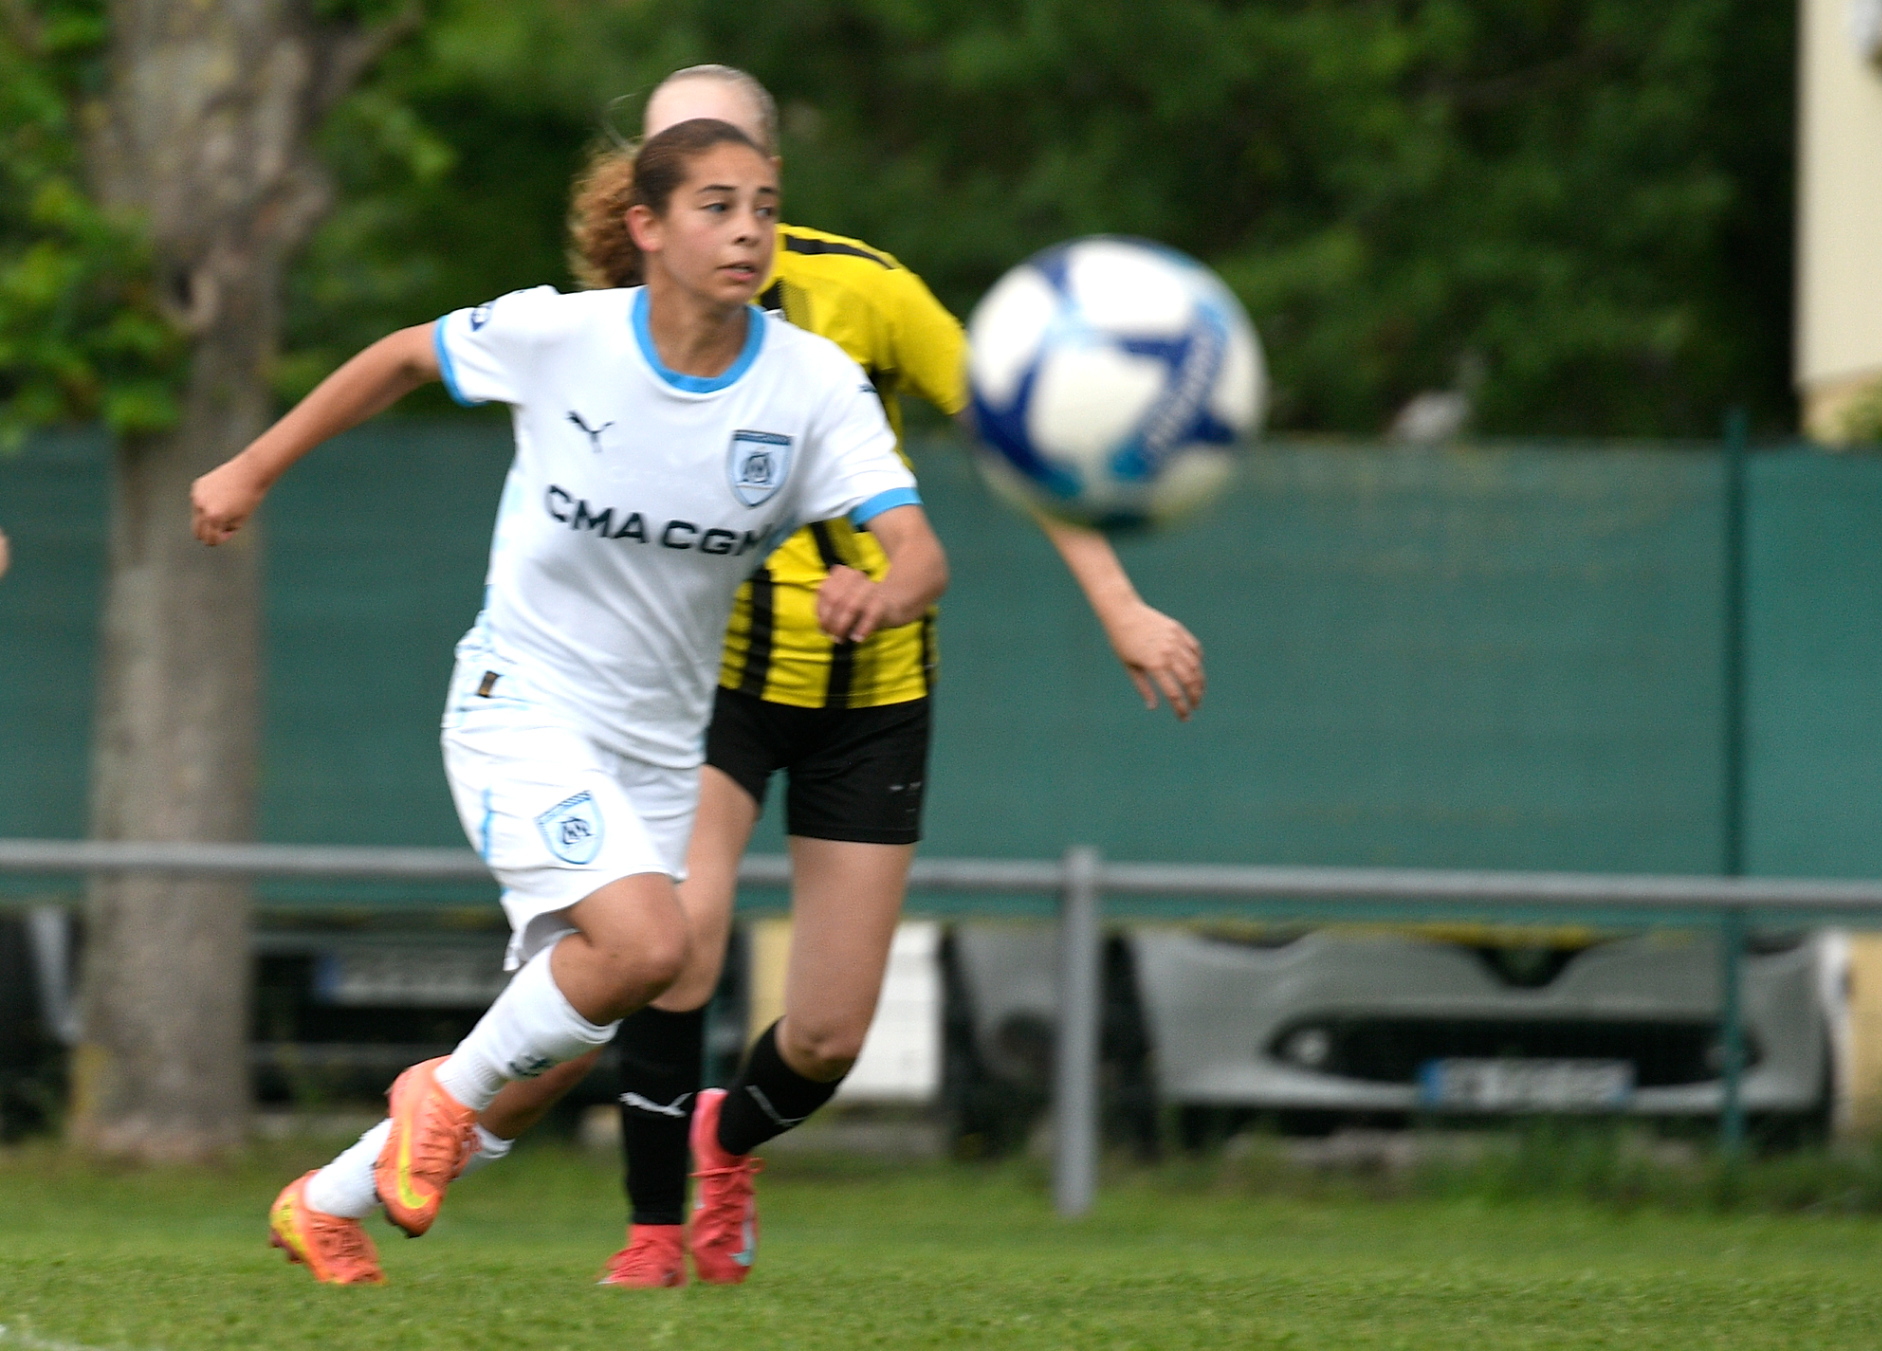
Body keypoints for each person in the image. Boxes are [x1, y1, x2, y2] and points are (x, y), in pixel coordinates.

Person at [467, 65, 1208, 1290]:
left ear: (770, 172)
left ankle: (724, 1140)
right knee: (678, 940)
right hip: (711, 687)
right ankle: (648, 1234)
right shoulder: (613, 316)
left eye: (729, 168)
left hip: (872, 695)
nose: (706, 195)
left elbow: (1015, 436)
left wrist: (1120, 604)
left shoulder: (866, 294)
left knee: (824, 1035)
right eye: (667, 160)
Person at [190, 117, 948, 1286]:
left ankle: (326, 1200)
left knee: (561, 1045)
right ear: (646, 227)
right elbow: (401, 358)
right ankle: (436, 1095)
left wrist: (880, 591)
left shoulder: (808, 383)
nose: (747, 230)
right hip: (519, 704)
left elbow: (919, 553)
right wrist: (251, 466)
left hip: (658, 747)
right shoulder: (561, 337)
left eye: (762, 207)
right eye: (715, 205)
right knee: (645, 946)